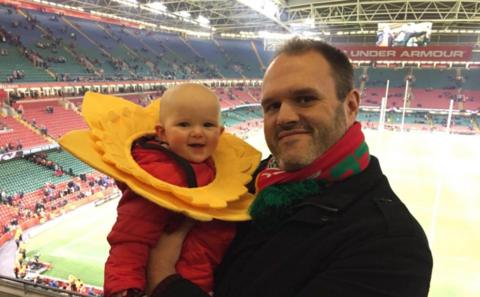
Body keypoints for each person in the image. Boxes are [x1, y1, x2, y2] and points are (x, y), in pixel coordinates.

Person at [147, 38, 433, 297]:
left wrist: (164, 280)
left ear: (350, 105)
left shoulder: (391, 245)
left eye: (305, 99)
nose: (284, 117)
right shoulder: (251, 180)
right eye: (271, 106)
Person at [105, 84, 236, 297]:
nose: (197, 132)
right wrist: (123, 289)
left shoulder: (215, 170)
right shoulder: (157, 176)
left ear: (220, 133)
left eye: (208, 124)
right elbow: (130, 237)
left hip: (202, 282)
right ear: (162, 133)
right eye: (184, 124)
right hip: (173, 285)